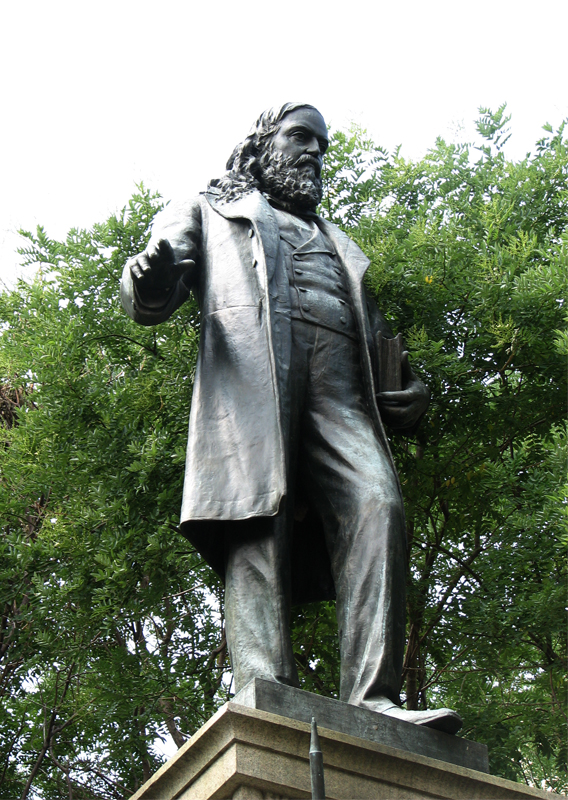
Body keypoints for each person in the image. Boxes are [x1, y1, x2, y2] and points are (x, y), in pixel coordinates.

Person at [121, 103, 461, 733]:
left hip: (342, 393)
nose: (314, 152)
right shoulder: (211, 208)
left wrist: (409, 387)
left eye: (322, 144)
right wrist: (150, 275)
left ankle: (375, 697)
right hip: (255, 388)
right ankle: (265, 688)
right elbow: (154, 281)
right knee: (258, 522)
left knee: (377, 504)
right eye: (300, 136)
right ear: (261, 145)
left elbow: (378, 339)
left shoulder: (342, 245)